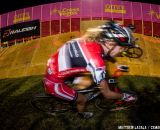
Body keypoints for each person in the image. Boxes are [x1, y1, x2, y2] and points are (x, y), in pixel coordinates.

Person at [43, 21, 137, 119]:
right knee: (82, 99)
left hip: (55, 65)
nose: (121, 52)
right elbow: (107, 94)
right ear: (110, 43)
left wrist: (117, 64)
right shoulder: (96, 62)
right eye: (122, 48)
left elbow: (104, 55)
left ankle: (73, 93)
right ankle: (81, 114)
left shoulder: (89, 40)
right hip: (53, 83)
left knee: (87, 82)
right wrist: (124, 96)